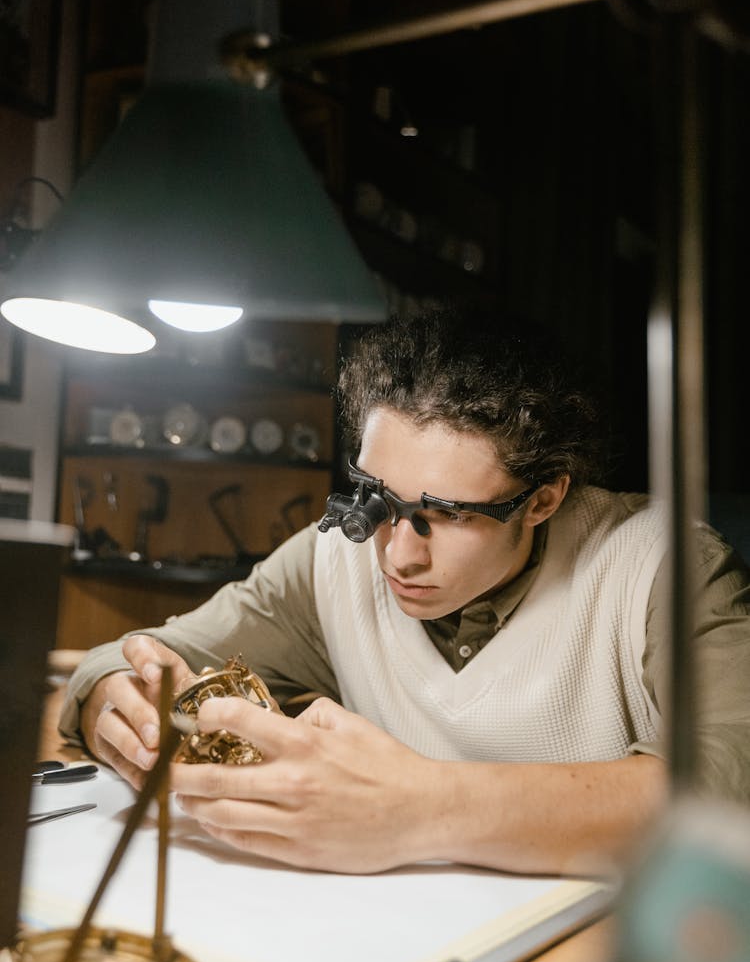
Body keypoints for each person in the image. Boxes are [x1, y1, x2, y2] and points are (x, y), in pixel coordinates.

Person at [59, 305, 750, 876]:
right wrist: (108, 698)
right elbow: (140, 654)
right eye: (377, 497)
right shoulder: (334, 563)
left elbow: (729, 784)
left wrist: (426, 808)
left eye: (448, 514)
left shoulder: (662, 567)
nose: (397, 551)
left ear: (544, 500)